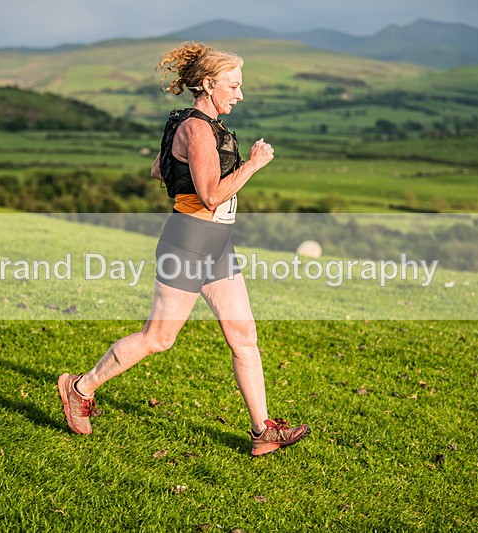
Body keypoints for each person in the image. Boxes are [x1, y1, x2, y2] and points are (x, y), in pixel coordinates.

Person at [58, 42, 310, 456]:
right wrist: (253, 164)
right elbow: (210, 196)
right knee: (158, 338)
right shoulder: (196, 128)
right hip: (189, 242)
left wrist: (181, 166)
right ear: (209, 85)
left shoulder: (198, 127)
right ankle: (80, 388)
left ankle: (263, 430)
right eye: (233, 85)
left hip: (217, 243)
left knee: (243, 335)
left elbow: (158, 169)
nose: (240, 94)